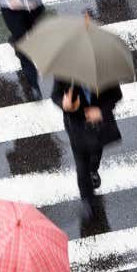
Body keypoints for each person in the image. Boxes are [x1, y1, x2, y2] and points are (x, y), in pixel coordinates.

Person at [51, 78, 122, 222]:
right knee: (81, 165)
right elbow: (55, 95)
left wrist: (100, 111)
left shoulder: (104, 71)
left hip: (98, 125)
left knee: (96, 153)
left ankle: (94, 169)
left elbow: (116, 95)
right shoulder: (65, 72)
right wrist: (64, 104)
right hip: (76, 125)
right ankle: (87, 201)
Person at [0, 0, 52, 101]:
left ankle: (15, 40)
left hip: (33, 7)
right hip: (12, 10)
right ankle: (34, 85)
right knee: (23, 44)